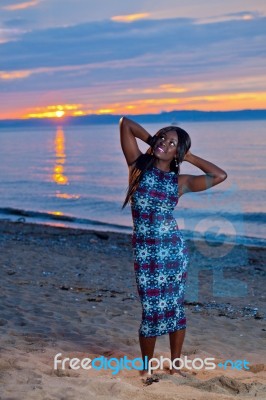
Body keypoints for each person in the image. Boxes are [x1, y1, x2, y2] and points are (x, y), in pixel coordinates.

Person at [119, 116, 227, 379]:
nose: (165, 144)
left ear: (178, 151)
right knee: (151, 310)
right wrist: (154, 142)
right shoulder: (137, 166)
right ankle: (146, 370)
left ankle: (176, 365)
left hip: (173, 251)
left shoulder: (180, 182)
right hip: (145, 253)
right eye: (163, 137)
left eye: (172, 143)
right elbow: (126, 124)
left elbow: (219, 175)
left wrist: (187, 157)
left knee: (175, 307)